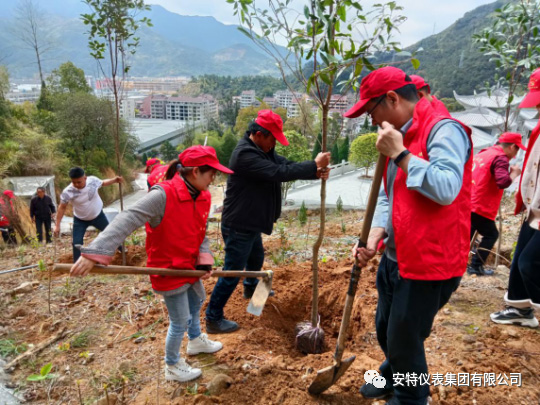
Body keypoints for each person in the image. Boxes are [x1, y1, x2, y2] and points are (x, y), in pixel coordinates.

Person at [347, 66, 472, 404]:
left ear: (392, 98)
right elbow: (389, 193)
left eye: (372, 112)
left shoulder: (444, 131)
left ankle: (411, 397)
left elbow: (446, 187)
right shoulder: (398, 132)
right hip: (396, 256)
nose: (372, 122)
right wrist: (375, 235)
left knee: (405, 336)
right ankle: (391, 372)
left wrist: (401, 155)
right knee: (387, 329)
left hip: (430, 261)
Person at [70, 146, 231, 382]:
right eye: (211, 174)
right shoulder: (163, 195)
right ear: (196, 172)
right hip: (167, 267)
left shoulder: (203, 196)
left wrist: (204, 259)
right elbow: (128, 218)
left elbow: (200, 231)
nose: (214, 179)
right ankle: (172, 365)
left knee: (196, 301)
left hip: (189, 264)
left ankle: (196, 340)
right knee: (179, 320)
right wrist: (95, 251)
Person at [205, 109, 331, 334]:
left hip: (250, 221)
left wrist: (314, 172)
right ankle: (213, 318)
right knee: (232, 270)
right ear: (259, 134)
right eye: (272, 138)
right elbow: (277, 172)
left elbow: (286, 164)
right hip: (239, 224)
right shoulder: (245, 154)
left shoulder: (263, 150)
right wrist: (313, 165)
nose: (275, 144)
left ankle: (251, 290)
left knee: (256, 257)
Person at [490, 68, 540, 328]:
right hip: (534, 209)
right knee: (521, 258)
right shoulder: (538, 129)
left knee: (529, 262)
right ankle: (520, 310)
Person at [469, 133, 525, 276]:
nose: (515, 154)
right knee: (491, 234)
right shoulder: (501, 158)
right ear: (512, 146)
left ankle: (456, 262)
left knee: (467, 234)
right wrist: (514, 173)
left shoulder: (485, 153)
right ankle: (475, 267)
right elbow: (503, 182)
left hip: (469, 200)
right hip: (481, 205)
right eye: (517, 149)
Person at [54, 167, 123, 263]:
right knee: (76, 242)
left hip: (98, 216)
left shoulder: (92, 181)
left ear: (85, 178)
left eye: (79, 182)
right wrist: (57, 225)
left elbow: (103, 183)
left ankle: (123, 251)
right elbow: (62, 207)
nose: (77, 185)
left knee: (110, 234)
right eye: (74, 182)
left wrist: (115, 180)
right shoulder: (68, 192)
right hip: (80, 220)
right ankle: (77, 264)